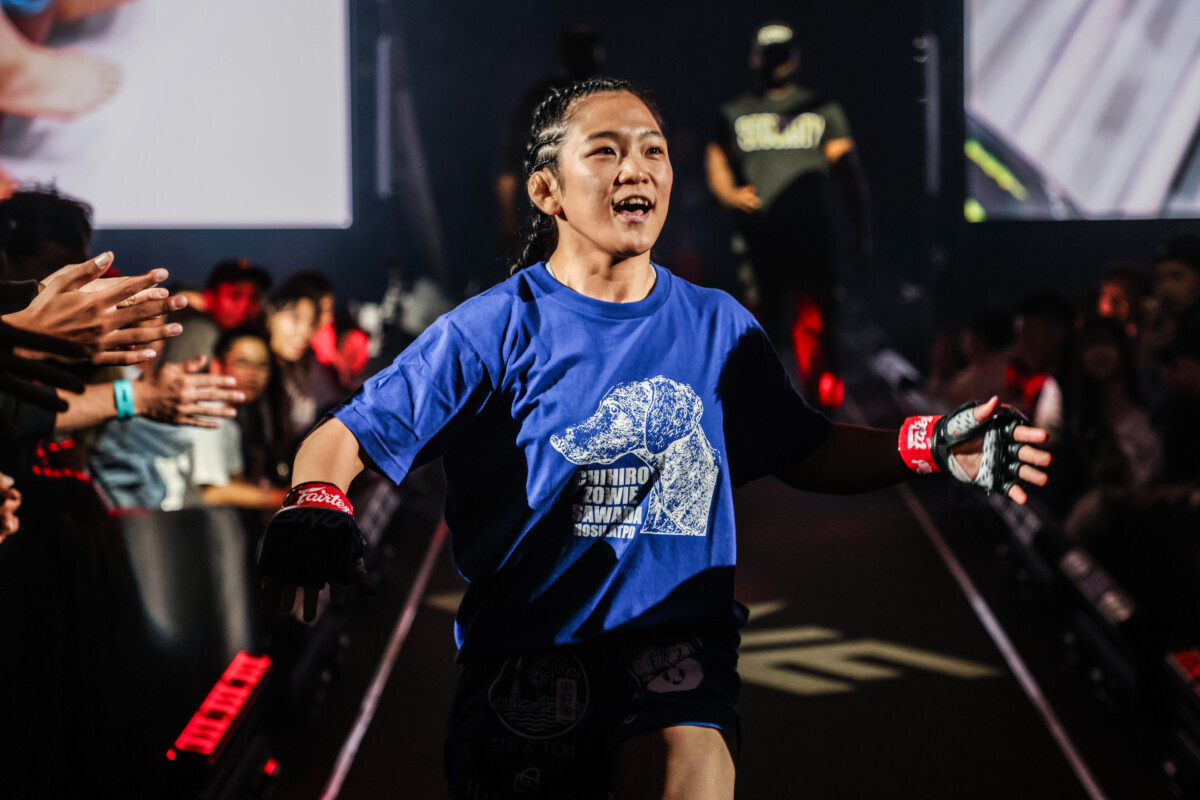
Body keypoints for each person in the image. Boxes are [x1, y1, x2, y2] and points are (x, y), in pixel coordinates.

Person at [258, 78, 1050, 799]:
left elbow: (804, 446)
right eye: (604, 151)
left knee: (686, 763)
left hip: (675, 657)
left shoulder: (718, 327)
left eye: (653, 151)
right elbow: (343, 436)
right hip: (524, 669)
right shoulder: (492, 330)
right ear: (547, 190)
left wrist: (928, 444)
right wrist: (317, 498)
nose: (636, 168)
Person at [706, 21, 870, 408]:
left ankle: (821, 411)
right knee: (756, 327)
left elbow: (848, 172)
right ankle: (760, 409)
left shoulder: (822, 110)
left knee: (814, 326)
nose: (777, 63)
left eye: (782, 55)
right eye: (770, 55)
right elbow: (716, 158)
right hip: (757, 242)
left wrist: (861, 230)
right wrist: (730, 193)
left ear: (795, 58)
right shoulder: (735, 112)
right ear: (755, 59)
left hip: (810, 239)